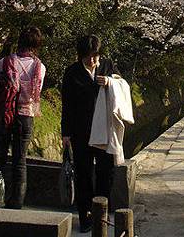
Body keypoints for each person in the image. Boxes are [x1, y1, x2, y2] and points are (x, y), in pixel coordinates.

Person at [61, 35, 117, 233]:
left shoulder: (107, 66)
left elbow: (122, 86)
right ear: (80, 56)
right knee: (83, 173)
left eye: (94, 56)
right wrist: (65, 132)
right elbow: (67, 105)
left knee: (105, 172)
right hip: (81, 131)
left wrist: (110, 82)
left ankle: (101, 213)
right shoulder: (72, 73)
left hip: (104, 130)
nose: (92, 61)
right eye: (87, 57)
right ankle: (84, 216)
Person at [0, 26, 46, 210]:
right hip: (25, 115)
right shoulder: (39, 67)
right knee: (20, 161)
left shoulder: (5, 62)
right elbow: (35, 94)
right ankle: (17, 203)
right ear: (36, 45)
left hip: (4, 115)